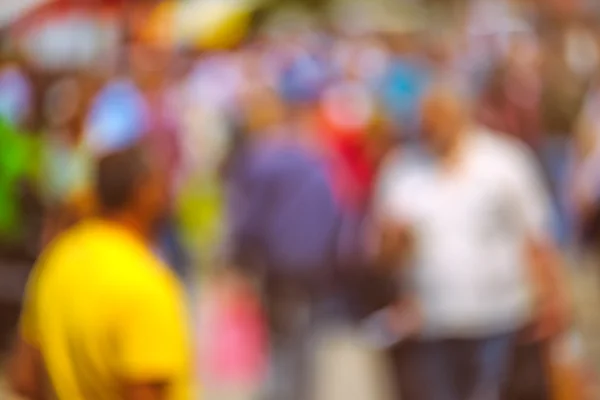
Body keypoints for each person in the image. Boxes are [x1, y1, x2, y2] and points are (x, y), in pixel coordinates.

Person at [374, 83, 564, 400]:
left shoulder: (504, 162)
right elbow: (381, 255)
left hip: (499, 313)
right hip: (431, 319)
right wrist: (395, 243)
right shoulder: (401, 171)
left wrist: (552, 298)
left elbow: (537, 235)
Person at [9, 145, 192, 400]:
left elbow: (24, 379)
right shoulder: (144, 282)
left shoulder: (58, 258)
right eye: (162, 185)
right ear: (143, 192)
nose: (169, 196)